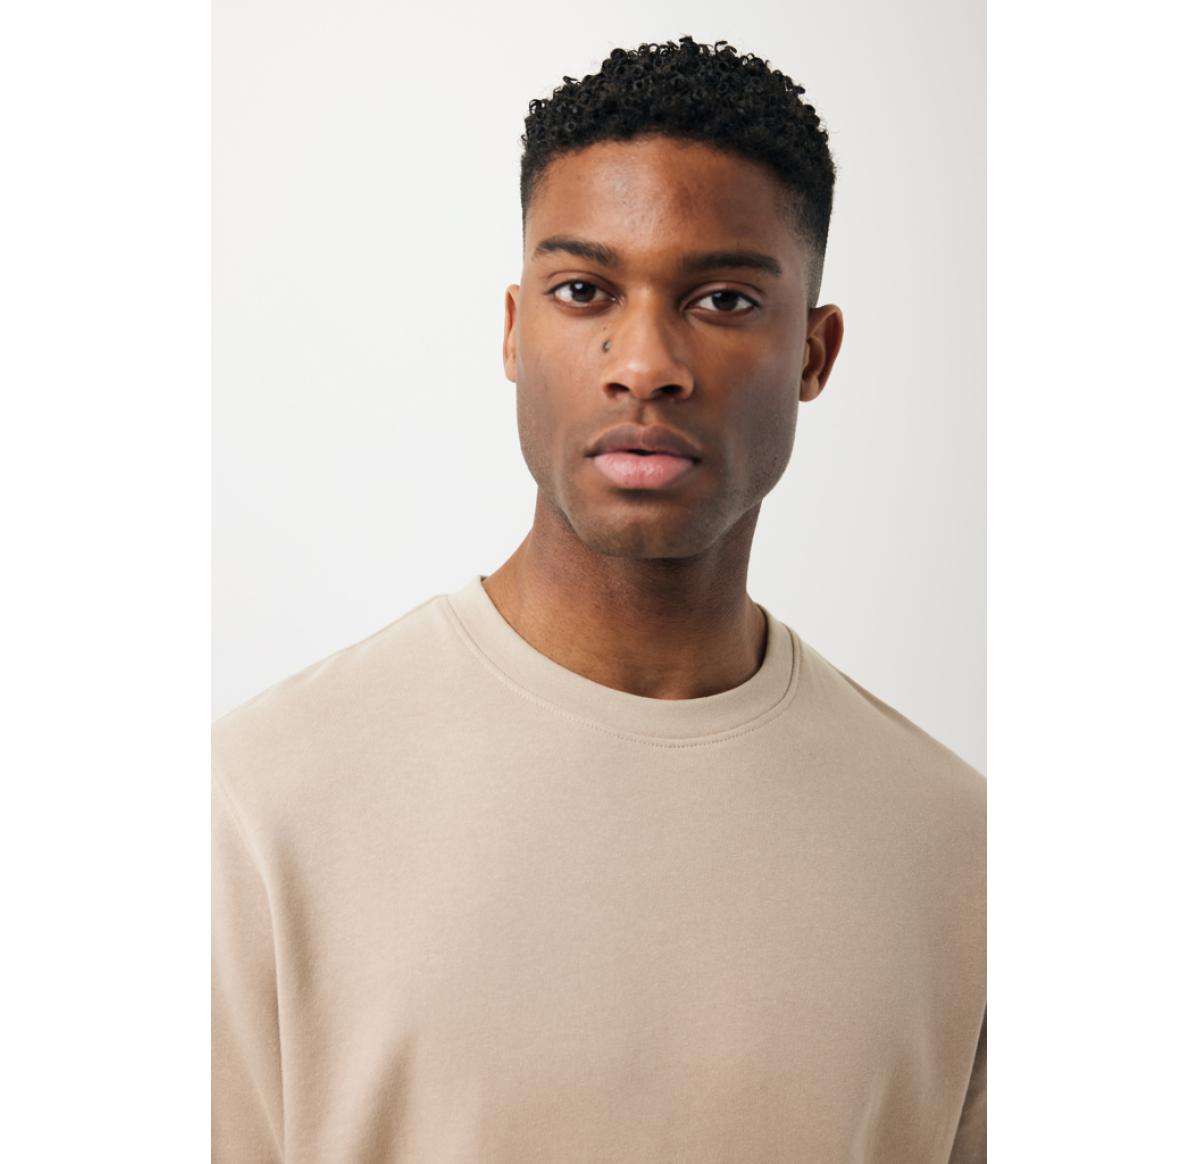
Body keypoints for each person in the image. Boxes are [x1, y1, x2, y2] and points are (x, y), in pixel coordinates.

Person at [212, 35, 985, 1163]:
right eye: (584, 292)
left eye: (723, 299)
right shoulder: (258, 807)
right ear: (514, 330)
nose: (645, 363)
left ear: (815, 355)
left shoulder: (958, 853)